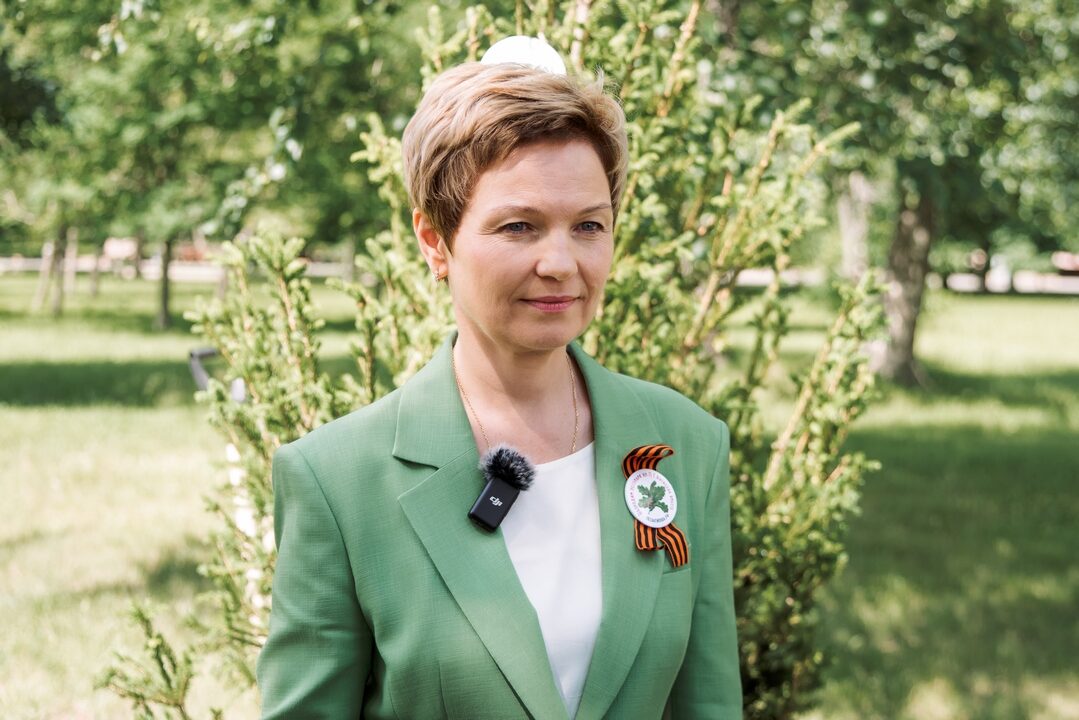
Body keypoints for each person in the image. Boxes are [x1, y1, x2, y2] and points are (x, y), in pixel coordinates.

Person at [256, 39, 742, 720]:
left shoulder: (686, 444)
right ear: (435, 241)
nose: (560, 263)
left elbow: (709, 703)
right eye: (519, 227)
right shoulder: (336, 481)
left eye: (588, 226)